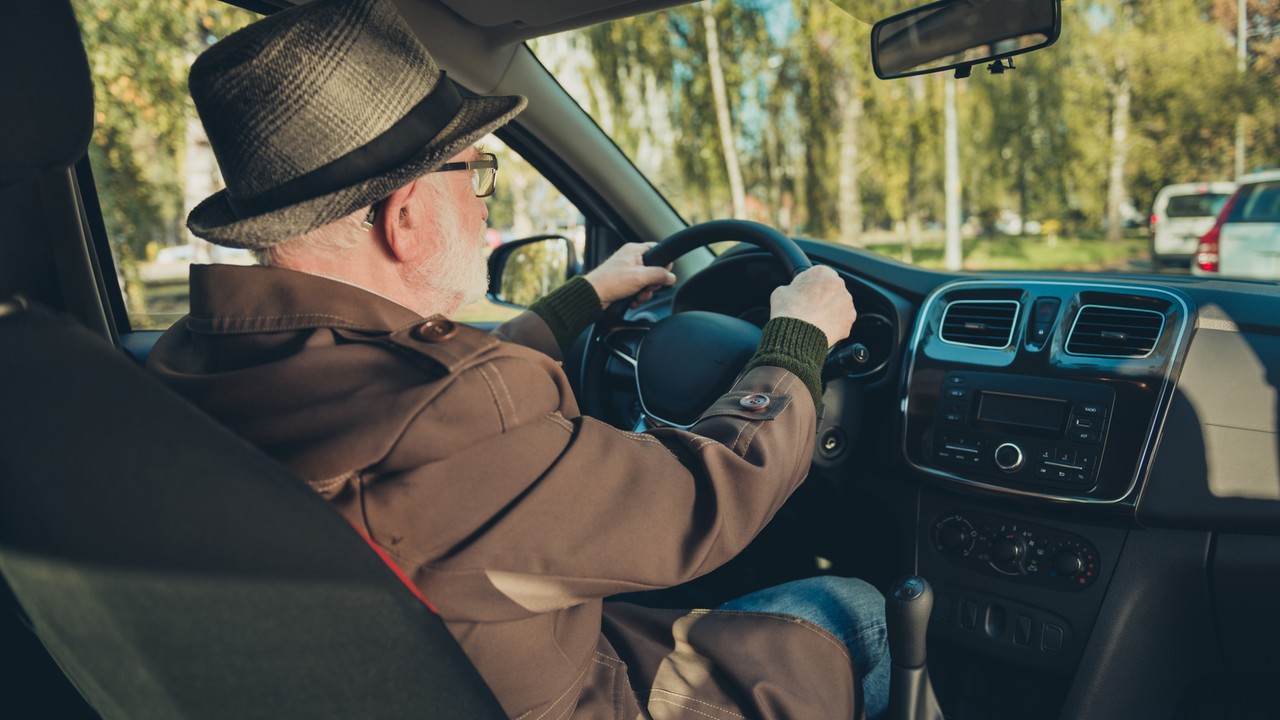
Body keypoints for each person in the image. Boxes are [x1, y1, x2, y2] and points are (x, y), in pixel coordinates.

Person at [146, 0, 890, 717]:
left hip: (458, 674)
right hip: (583, 699)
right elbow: (704, 499)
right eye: (473, 173)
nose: (484, 204)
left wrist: (582, 301)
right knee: (853, 610)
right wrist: (798, 339)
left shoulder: (199, 365)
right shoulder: (449, 422)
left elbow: (436, 409)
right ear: (405, 217)